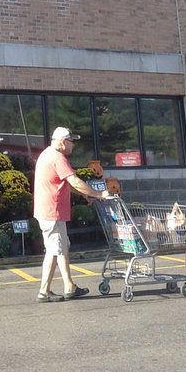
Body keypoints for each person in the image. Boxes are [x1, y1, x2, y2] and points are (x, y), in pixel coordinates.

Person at [33, 126, 111, 303]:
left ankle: (67, 287)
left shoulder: (47, 154)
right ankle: (46, 291)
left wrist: (85, 194)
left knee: (60, 248)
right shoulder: (58, 158)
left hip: (48, 211)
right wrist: (98, 194)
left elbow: (64, 183)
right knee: (55, 251)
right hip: (52, 212)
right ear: (62, 142)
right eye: (71, 141)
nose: (73, 145)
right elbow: (74, 180)